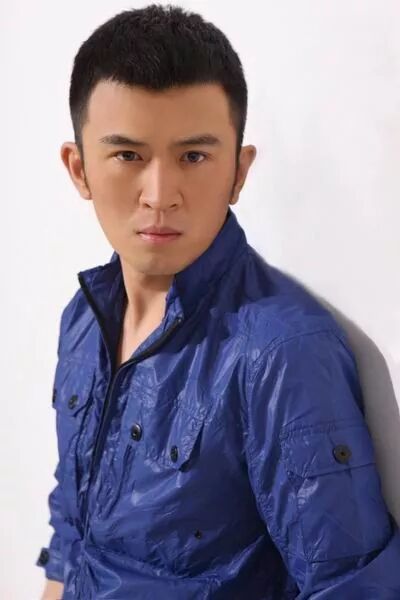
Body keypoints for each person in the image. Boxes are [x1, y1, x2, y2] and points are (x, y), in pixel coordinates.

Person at [36, 4, 400, 599]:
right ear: (79, 169)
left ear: (238, 171)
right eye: (128, 155)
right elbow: (71, 531)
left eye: (193, 156)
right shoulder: (82, 320)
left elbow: (350, 588)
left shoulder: (281, 355)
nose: (160, 195)